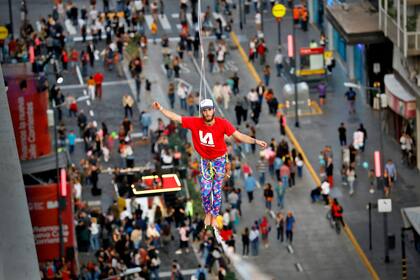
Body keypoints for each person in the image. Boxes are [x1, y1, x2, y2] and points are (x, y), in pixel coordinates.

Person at [152, 99, 267, 228]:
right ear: (202, 112)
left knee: (216, 189)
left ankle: (214, 214)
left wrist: (256, 141)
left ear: (213, 110)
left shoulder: (222, 124)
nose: (207, 113)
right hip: (205, 160)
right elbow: (176, 117)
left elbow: (239, 136)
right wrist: (161, 108)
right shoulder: (195, 122)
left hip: (219, 159)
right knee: (206, 189)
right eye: (204, 111)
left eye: (209, 110)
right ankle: (208, 212)